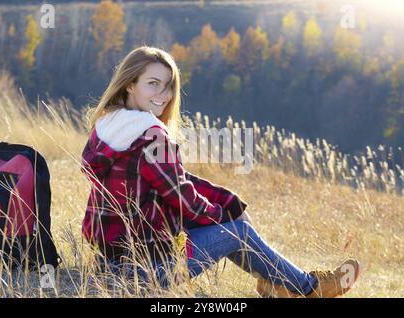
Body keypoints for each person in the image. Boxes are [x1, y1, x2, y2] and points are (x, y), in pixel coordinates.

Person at [80, 46, 360, 298]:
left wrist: (229, 202)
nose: (163, 95)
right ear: (130, 84)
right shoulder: (151, 134)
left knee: (232, 224)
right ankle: (308, 288)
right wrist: (226, 217)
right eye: (153, 84)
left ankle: (275, 283)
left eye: (167, 86)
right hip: (147, 273)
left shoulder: (107, 127)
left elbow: (174, 182)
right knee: (237, 232)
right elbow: (185, 200)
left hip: (107, 266)